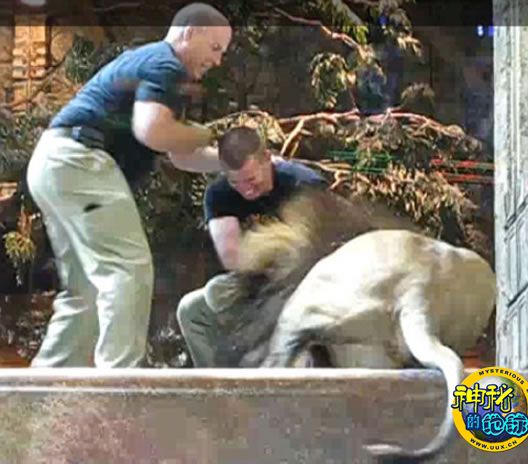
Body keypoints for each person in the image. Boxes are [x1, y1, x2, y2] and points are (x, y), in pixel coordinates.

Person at [26, 3, 233, 368]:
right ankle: (120, 381)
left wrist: (230, 161)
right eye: (215, 48)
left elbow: (179, 154)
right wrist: (205, 133)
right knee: (127, 268)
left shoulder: (153, 65)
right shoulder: (166, 63)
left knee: (84, 290)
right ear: (191, 32)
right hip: (81, 160)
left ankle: (46, 385)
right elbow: (152, 130)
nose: (217, 61)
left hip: (54, 162)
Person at [176, 126, 327, 367]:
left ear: (267, 158)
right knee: (192, 310)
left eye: (251, 179)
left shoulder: (303, 184)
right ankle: (220, 384)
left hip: (304, 280)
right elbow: (233, 260)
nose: (246, 189)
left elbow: (316, 250)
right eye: (235, 182)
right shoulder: (220, 194)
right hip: (255, 282)